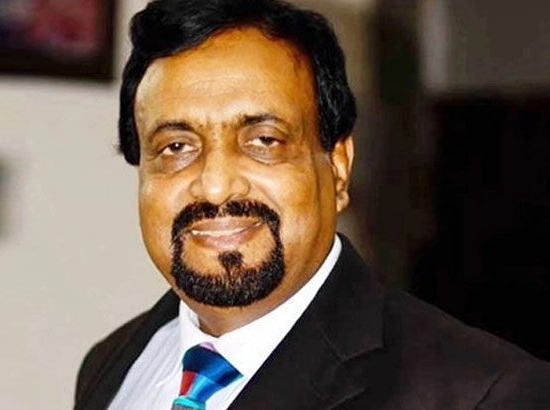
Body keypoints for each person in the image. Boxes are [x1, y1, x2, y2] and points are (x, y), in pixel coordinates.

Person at [74, 0, 550, 409]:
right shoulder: (112, 364)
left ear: (338, 167)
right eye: (176, 147)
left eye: (264, 140)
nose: (216, 187)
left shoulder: (483, 394)